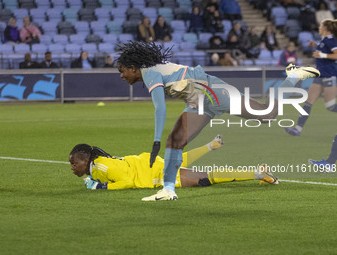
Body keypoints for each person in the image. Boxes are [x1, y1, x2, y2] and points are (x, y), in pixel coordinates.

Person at [116, 41, 319, 201]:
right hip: (200, 102)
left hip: (213, 92)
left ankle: (292, 76)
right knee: (176, 140)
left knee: (267, 114)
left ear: (133, 68)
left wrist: (156, 141)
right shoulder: (150, 70)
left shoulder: (149, 72)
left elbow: (160, 107)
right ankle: (168, 191)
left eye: (122, 70)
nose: (122, 76)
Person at [69, 135, 279, 190]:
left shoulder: (99, 166)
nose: (72, 168)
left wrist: (102, 187)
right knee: (181, 162)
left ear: (85, 159)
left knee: (204, 179)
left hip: (155, 173)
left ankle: (258, 172)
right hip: (151, 166)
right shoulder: (96, 166)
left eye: (73, 163)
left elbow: (125, 180)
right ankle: (212, 145)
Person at [285, 19, 337, 136]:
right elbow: (324, 49)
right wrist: (316, 45)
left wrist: (322, 54)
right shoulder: (324, 41)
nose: (319, 27)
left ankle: (297, 128)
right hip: (320, 75)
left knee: (331, 106)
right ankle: (297, 129)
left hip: (329, 75)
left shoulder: (331, 41)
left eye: (321, 26)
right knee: (308, 102)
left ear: (325, 29)